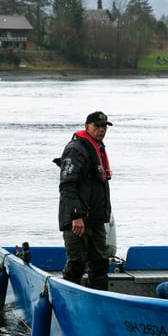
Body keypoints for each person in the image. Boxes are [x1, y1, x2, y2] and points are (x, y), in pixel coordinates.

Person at [55, 110, 113, 290]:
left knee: (100, 262)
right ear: (87, 126)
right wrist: (75, 215)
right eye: (97, 126)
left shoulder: (98, 148)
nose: (101, 130)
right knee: (77, 262)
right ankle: (67, 299)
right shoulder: (76, 149)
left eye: (104, 127)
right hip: (78, 218)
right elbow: (67, 184)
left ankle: (101, 298)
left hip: (95, 218)